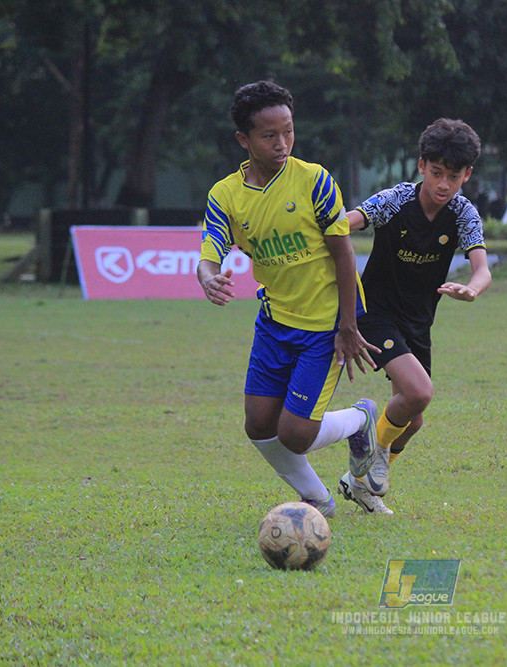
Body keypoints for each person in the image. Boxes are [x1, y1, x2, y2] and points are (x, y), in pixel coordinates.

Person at [197, 80, 383, 518]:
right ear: (244, 140)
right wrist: (207, 279)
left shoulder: (314, 181)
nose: (282, 144)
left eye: (289, 131)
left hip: (327, 325)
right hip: (275, 321)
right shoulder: (225, 196)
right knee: (259, 425)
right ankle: (318, 499)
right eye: (269, 135)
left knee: (295, 434)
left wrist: (348, 325)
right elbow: (209, 255)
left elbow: (343, 253)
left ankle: (360, 420)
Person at [336, 118, 492, 515]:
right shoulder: (395, 201)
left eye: (453, 176)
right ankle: (370, 461)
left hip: (418, 323)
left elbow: (482, 267)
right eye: (436, 173)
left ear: (466, 175)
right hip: (375, 313)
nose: (443, 184)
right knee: (420, 393)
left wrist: (472, 287)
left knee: (415, 420)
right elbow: (347, 223)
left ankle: (359, 483)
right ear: (421, 165)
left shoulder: (462, 213)